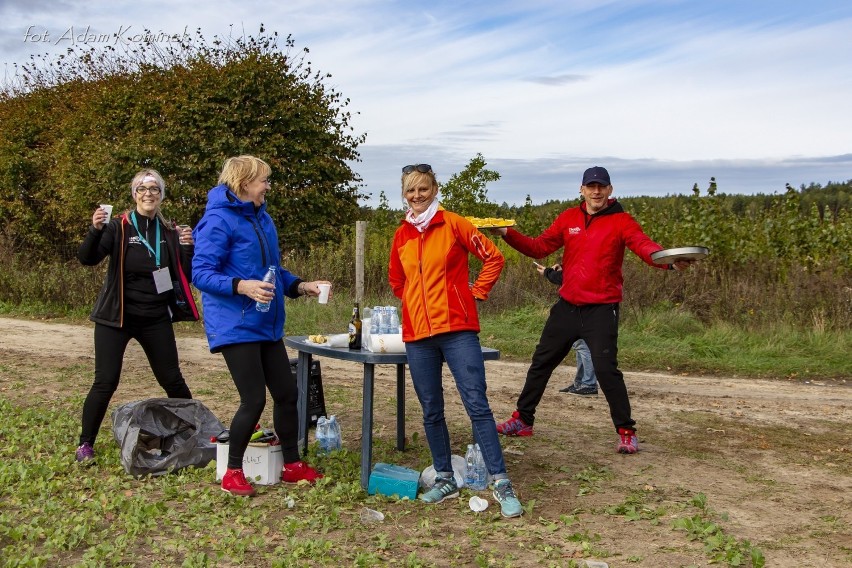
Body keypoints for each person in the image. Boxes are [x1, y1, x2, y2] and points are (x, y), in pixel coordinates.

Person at [493, 166, 695, 454]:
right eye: (591, 186)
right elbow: (538, 247)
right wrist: (505, 233)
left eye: (602, 186)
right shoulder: (569, 218)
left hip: (601, 309)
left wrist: (669, 262)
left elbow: (643, 246)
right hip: (567, 306)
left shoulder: (622, 221)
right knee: (541, 363)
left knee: (605, 370)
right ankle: (523, 420)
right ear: (582, 189)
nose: (596, 191)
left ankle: (626, 431)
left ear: (610, 190)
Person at [388, 163, 523, 518]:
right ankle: (444, 477)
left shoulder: (454, 223)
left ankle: (501, 481)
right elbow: (396, 279)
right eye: (411, 190)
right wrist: (414, 304)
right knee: (431, 409)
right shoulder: (402, 234)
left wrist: (475, 292)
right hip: (418, 336)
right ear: (404, 194)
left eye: (423, 189)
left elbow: (494, 256)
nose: (417, 196)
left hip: (458, 329)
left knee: (476, 404)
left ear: (435, 189)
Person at [192, 155, 330, 496]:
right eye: (263, 180)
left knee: (287, 394)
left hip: (267, 323)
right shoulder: (217, 221)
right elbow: (201, 273)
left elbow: (273, 271)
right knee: (252, 400)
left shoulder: (263, 219)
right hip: (235, 324)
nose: (267, 186)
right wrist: (243, 285)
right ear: (244, 184)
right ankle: (233, 472)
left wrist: (301, 286)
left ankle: (292, 465)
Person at [75, 169, 198, 463]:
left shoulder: (169, 232)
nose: (148, 193)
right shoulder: (118, 227)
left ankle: (197, 429)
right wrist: (94, 230)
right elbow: (87, 258)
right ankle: (85, 444)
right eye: (142, 188)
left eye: (154, 189)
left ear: (161, 196)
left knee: (172, 379)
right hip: (116, 318)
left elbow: (186, 276)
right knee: (105, 382)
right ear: (134, 195)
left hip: (155, 317)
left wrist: (187, 249)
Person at [535, 263, 598, 396]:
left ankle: (589, 383)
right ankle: (581, 382)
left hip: (579, 307)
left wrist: (547, 272)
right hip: (581, 307)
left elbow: (566, 278)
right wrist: (563, 267)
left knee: (583, 346)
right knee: (580, 345)